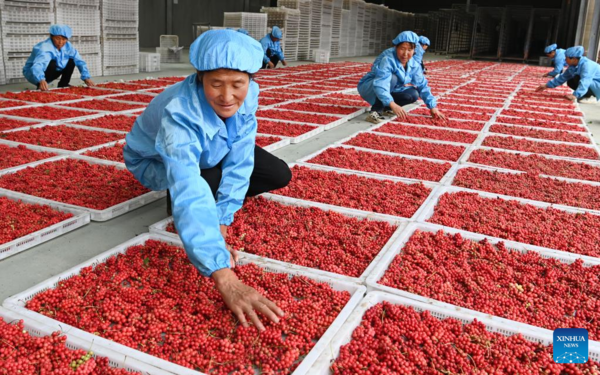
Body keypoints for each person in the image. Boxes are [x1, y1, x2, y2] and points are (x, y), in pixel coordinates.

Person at [123, 29, 292, 330]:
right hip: (156, 160)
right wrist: (224, 276)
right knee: (203, 181)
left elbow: (241, 156)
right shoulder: (180, 116)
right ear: (201, 78)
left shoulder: (247, 95)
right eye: (216, 84)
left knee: (279, 173)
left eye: (237, 85)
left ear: (250, 80)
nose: (227, 97)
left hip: (213, 145)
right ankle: (184, 211)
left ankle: (208, 211)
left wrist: (223, 219)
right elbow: (188, 182)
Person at [357, 31, 446, 124]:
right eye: (402, 49)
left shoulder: (413, 64)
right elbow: (381, 84)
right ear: (396, 47)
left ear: (414, 50)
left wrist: (433, 107)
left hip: (391, 88)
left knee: (413, 94)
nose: (405, 53)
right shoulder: (388, 59)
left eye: (409, 50)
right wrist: (393, 104)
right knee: (392, 78)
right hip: (372, 86)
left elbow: (422, 85)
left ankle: (386, 107)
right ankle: (375, 111)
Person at [23, 25, 95, 91]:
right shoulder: (45, 48)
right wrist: (41, 79)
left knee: (71, 61)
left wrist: (86, 77)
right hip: (33, 73)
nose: (61, 42)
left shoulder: (68, 46)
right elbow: (37, 66)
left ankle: (63, 84)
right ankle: (41, 85)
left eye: (64, 39)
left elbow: (80, 61)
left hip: (54, 70)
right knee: (52, 63)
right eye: (58, 38)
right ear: (51, 37)